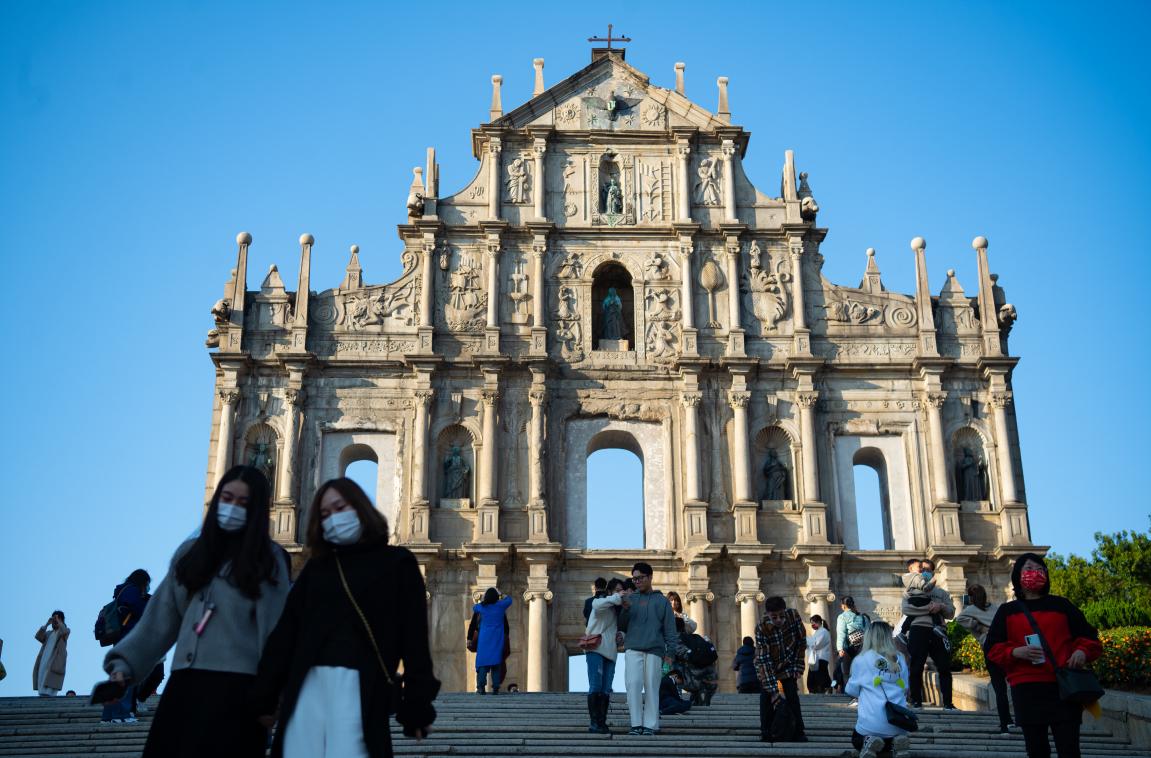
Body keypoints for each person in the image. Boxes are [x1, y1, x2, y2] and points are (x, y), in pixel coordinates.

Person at [103, 465, 290, 754]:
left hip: (238, 692)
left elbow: (276, 634)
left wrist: (272, 696)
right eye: (227, 498)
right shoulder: (190, 554)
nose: (232, 507)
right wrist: (124, 666)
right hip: (184, 688)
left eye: (243, 502)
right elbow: (159, 620)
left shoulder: (269, 559)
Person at [253, 477, 439, 758]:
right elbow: (284, 637)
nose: (332, 518)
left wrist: (417, 705)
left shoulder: (398, 564)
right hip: (307, 692)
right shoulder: (317, 570)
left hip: (362, 692)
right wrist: (264, 698)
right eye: (324, 514)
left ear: (360, 508)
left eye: (340, 507)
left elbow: (414, 641)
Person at [985, 553, 1101, 758]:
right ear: (1018, 575)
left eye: (1040, 569)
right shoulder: (1006, 611)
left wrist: (1082, 651)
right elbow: (992, 648)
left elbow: (1090, 637)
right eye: (1029, 569)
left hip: (1064, 687)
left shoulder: (1062, 605)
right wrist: (1015, 651)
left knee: (1069, 749)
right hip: (1027, 689)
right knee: (1037, 750)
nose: (1035, 573)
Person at [618, 561, 678, 736]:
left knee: (652, 687)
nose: (637, 582)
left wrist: (670, 654)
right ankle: (636, 724)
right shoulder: (630, 599)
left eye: (640, 578)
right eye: (634, 579)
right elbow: (621, 625)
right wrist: (625, 610)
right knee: (633, 685)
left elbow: (670, 630)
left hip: (655, 650)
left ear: (650, 577)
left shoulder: (662, 601)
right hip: (633, 648)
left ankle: (650, 725)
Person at [845, 621, 912, 758]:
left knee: (856, 740)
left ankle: (869, 741)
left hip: (871, 725)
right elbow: (905, 688)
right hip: (898, 723)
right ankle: (896, 742)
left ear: (869, 637)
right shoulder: (900, 658)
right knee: (892, 734)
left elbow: (851, 690)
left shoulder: (862, 659)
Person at [957, 584, 1014, 733]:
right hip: (1005, 644)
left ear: (970, 597)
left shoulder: (970, 610)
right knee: (1013, 682)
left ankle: (1005, 723)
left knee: (999, 687)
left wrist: (979, 627)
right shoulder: (996, 607)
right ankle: (1017, 719)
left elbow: (959, 619)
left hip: (990, 646)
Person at [901, 559, 957, 709]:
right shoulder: (909, 591)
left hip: (938, 629)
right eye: (921, 569)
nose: (923, 572)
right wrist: (928, 608)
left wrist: (941, 606)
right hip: (918, 629)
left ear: (932, 572)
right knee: (916, 666)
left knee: (944, 667)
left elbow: (951, 613)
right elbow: (906, 610)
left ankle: (948, 703)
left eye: (927, 570)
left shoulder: (941, 593)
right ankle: (916, 701)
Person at [754, 596, 809, 743]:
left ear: (785, 611)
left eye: (781, 615)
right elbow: (764, 660)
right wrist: (773, 691)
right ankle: (766, 731)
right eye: (774, 617)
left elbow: (801, 641)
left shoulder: (793, 616)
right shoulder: (761, 627)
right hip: (768, 665)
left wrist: (798, 665)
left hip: (788, 664)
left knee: (792, 696)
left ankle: (798, 731)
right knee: (766, 698)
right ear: (767, 614)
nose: (778, 619)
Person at [101, 570, 150, 722]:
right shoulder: (132, 591)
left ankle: (108, 717)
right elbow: (139, 611)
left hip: (121, 639)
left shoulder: (122, 591)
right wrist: (146, 601)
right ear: (142, 581)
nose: (148, 587)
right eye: (147, 584)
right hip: (128, 638)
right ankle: (121, 714)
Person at [585, 577, 626, 733]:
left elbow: (621, 629)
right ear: (609, 592)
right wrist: (617, 596)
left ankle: (601, 721)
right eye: (617, 590)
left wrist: (622, 635)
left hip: (611, 652)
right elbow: (596, 605)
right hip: (596, 649)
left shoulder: (619, 611)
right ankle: (594, 722)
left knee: (606, 688)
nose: (620, 594)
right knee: (595, 685)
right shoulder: (600, 602)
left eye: (622, 591)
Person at [473, 587, 513, 694]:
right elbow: (509, 600)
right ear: (496, 597)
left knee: (482, 663)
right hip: (496, 638)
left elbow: (474, 608)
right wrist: (501, 594)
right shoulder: (500, 606)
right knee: (496, 663)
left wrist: (483, 600)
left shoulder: (482, 607)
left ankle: (481, 687)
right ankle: (496, 687)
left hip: (484, 639)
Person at [671, 617, 717, 706]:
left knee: (670, 670)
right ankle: (698, 696)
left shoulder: (676, 639)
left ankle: (677, 698)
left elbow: (683, 654)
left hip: (688, 677)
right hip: (705, 676)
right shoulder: (696, 638)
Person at [835, 596, 869, 695]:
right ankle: (862, 692)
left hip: (848, 647)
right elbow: (868, 633)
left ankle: (849, 692)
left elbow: (841, 633)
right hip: (863, 647)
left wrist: (840, 648)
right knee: (861, 671)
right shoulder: (863, 617)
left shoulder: (842, 617)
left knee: (846, 671)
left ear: (843, 606)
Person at [33, 611, 69, 696]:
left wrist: (59, 621)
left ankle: (50, 695)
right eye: (54, 619)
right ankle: (42, 694)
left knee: (52, 675)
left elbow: (64, 632)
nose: (55, 621)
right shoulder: (49, 633)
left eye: (57, 619)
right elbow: (38, 637)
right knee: (42, 673)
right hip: (45, 656)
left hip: (56, 658)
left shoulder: (64, 630)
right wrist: (47, 624)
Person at [806, 614, 833, 694]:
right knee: (816, 676)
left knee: (821, 676)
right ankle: (819, 689)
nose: (812, 625)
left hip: (821, 657)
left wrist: (807, 640)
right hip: (817, 658)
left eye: (813, 623)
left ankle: (826, 689)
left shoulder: (823, 632)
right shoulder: (818, 632)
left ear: (818, 622)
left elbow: (816, 644)